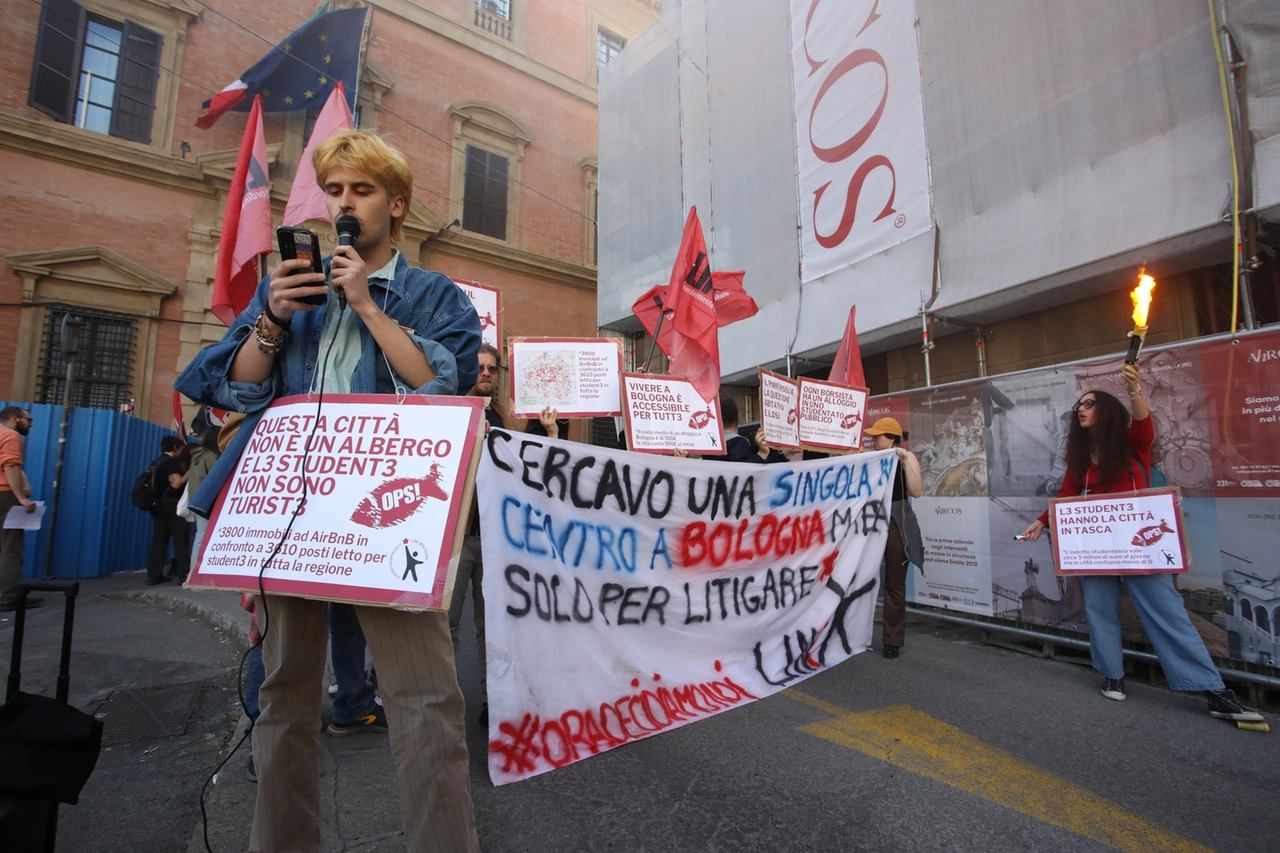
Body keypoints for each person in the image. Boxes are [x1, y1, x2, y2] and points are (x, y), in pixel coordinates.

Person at [176, 129, 481, 852]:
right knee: (284, 694)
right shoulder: (290, 288)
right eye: (334, 190)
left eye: (362, 190)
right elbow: (238, 387)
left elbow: (444, 386)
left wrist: (369, 305)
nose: (344, 204)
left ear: (395, 204)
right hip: (293, 511)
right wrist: (275, 317)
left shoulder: (432, 294)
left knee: (423, 698)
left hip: (389, 515)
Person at [1021, 364, 1263, 723]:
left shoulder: (1132, 446)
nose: (1081, 410)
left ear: (1105, 411)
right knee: (1100, 612)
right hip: (1098, 549)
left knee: (1167, 612)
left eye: (1088, 404)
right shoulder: (1080, 462)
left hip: (1139, 546)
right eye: (1078, 407)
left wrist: (1134, 388)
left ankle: (1212, 689)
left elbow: (1143, 425)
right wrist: (1041, 523)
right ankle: (1112, 675)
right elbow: (1067, 497)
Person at [448, 342, 510, 728]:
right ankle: (446, 705)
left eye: (493, 368)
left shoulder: (504, 421)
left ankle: (495, 704)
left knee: (493, 628)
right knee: (445, 627)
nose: (486, 373)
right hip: (454, 539)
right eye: (480, 367)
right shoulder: (448, 409)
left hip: (492, 542)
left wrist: (552, 429)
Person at [864, 418, 923, 659]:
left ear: (892, 438)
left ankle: (892, 640)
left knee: (895, 582)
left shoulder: (906, 457)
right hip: (871, 517)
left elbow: (916, 491)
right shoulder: (870, 457)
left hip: (896, 520)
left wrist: (905, 459)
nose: (874, 439)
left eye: (878, 436)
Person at [0, 406, 40, 612]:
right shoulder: (12, 436)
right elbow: (11, 466)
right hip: (4, 495)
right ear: (15, 419)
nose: (31, 424)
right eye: (29, 420)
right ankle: (9, 596)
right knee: (11, 548)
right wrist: (22, 497)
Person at [145, 435, 189, 586]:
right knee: (180, 540)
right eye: (181, 447)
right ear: (175, 448)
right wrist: (189, 474)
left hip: (158, 505)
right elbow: (176, 483)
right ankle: (184, 575)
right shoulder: (172, 463)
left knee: (159, 540)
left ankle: (154, 575)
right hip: (172, 505)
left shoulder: (156, 462)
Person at [185, 426, 221, 561]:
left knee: (199, 536)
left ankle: (193, 569)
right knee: (203, 536)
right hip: (208, 503)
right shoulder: (211, 457)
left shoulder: (197, 457)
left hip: (196, 501)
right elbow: (219, 477)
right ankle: (195, 571)